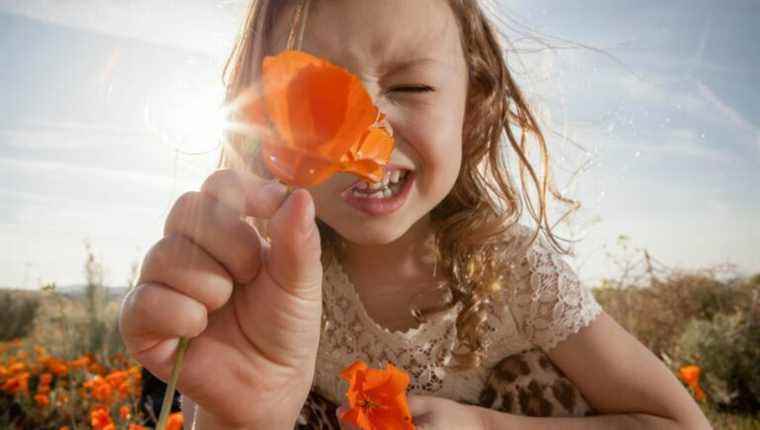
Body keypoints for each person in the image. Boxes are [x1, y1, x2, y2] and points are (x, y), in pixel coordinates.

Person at [119, 0, 713, 429]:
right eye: (318, 98)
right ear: (264, 121)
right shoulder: (260, 283)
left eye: (413, 88)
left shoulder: (516, 268)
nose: (369, 131)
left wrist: (483, 428)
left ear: (473, 109)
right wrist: (245, 419)